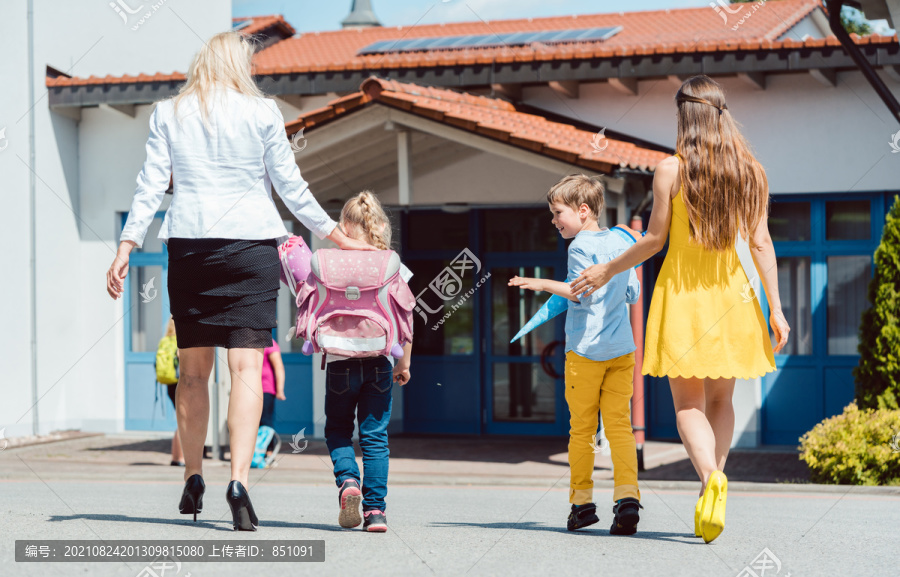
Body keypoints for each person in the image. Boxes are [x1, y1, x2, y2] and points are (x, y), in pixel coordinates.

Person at [105, 31, 373, 531]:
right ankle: (239, 484)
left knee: (191, 371)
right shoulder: (263, 111)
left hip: (189, 247)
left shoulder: (169, 112)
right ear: (238, 65)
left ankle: (191, 475)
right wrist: (337, 236)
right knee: (248, 367)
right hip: (251, 247)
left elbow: (150, 184)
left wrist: (126, 244)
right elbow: (291, 186)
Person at [569, 75, 791, 543]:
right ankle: (714, 482)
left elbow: (653, 241)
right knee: (721, 400)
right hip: (733, 297)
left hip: (684, 297)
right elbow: (761, 243)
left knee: (688, 404)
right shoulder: (752, 170)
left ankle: (711, 479)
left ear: (684, 117)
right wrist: (776, 308)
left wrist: (607, 269)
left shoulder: (670, 169)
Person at [509, 175, 643, 534]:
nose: (554, 221)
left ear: (583, 211)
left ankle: (582, 505)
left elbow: (577, 291)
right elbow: (632, 293)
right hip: (621, 351)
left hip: (585, 352)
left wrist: (539, 283)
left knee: (582, 430)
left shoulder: (579, 245)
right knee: (619, 428)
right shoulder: (621, 240)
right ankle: (628, 499)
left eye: (558, 213)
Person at [324, 191, 413, 533]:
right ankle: (376, 512)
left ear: (345, 226)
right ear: (378, 225)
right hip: (379, 361)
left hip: (339, 360)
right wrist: (404, 364)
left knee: (337, 430)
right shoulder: (392, 264)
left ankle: (348, 482)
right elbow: (407, 319)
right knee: (375, 437)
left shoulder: (333, 261)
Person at [251, 338, 285, 469]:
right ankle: (253, 454)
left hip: (265, 388)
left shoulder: (269, 342)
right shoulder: (249, 341)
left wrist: (280, 390)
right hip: (250, 388)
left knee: (266, 422)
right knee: (252, 422)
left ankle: (268, 454)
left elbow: (279, 367)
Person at [160, 318, 184, 466]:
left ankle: (175, 457)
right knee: (184, 422)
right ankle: (181, 457)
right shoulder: (179, 341)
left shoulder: (165, 341)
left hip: (169, 384)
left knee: (179, 420)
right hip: (179, 382)